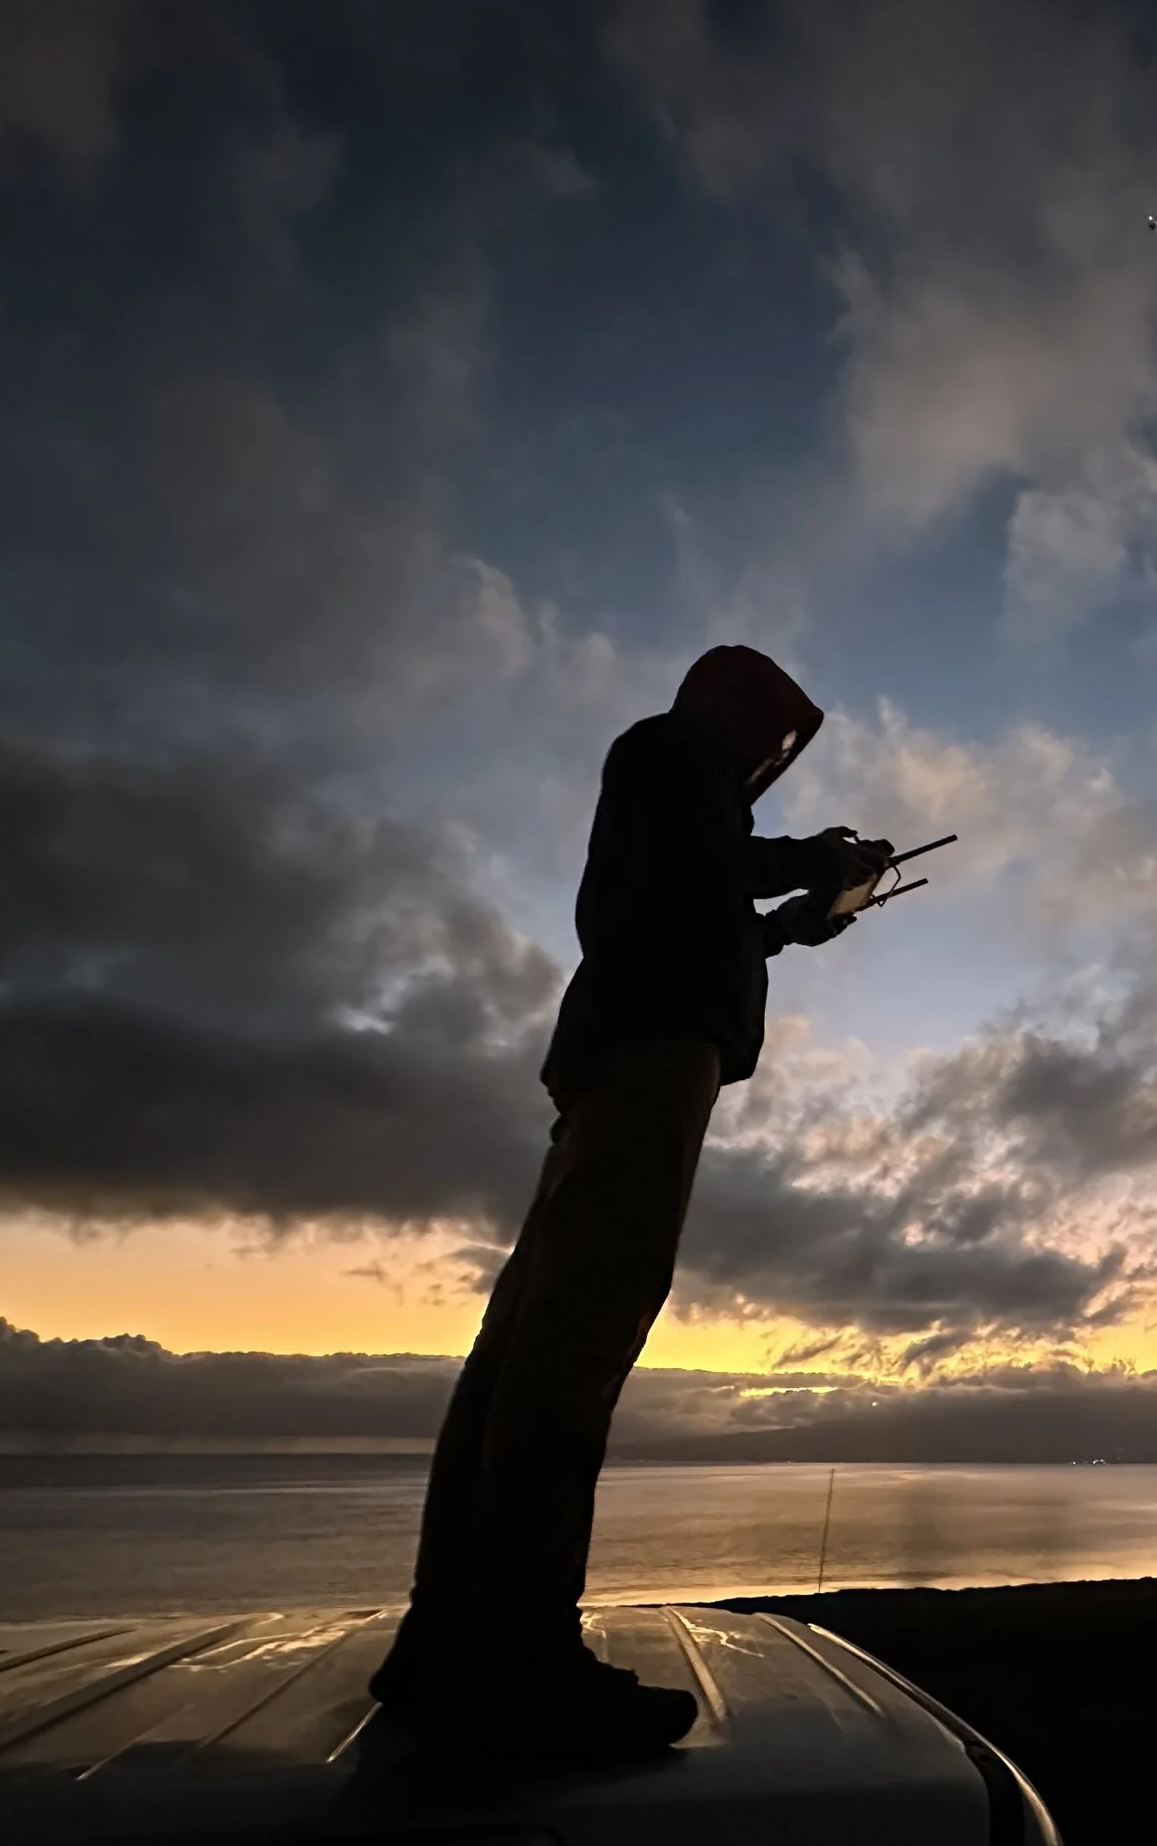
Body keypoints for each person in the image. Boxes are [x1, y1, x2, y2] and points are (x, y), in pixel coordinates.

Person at [369, 645, 889, 1761]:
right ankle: (518, 1657)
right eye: (770, 735)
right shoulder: (671, 749)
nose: (769, 757)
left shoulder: (671, 791)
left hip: (625, 1046)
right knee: (577, 1337)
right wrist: (818, 854)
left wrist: (794, 923)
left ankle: (446, 1636)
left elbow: (694, 901)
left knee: (522, 1342)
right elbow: (712, 867)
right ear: (737, 714)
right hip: (651, 1055)